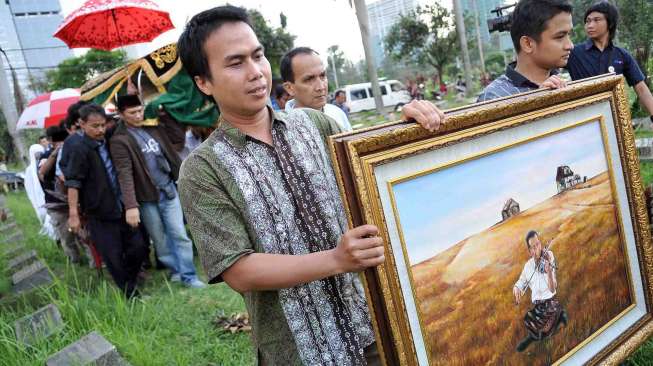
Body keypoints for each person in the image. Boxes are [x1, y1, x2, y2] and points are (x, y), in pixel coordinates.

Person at [176, 5, 444, 365]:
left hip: (374, 327)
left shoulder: (315, 125)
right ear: (203, 82)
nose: (256, 72)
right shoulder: (202, 169)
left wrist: (405, 128)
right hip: (300, 351)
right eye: (235, 63)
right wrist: (336, 259)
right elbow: (238, 269)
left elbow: (369, 173)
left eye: (258, 56)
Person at [109, 94, 206, 289]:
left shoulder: (153, 127)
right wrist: (131, 205)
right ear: (121, 114)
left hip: (169, 191)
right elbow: (124, 174)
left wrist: (165, 113)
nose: (138, 115)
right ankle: (176, 270)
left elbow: (178, 138)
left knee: (179, 233)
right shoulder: (120, 140)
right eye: (132, 112)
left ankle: (189, 275)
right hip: (147, 198)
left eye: (140, 110)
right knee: (160, 241)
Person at [65, 104, 147, 298]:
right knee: (113, 256)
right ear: (82, 124)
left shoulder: (110, 139)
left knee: (139, 247)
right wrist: (73, 215)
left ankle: (131, 282)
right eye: (95, 126)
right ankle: (130, 294)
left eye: (103, 125)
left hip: (123, 207)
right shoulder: (78, 149)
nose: (100, 130)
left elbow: (126, 118)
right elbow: (73, 183)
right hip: (99, 213)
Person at [566, 1, 653, 123]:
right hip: (584, 119)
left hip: (615, 119)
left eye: (596, 20)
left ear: (610, 23)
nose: (590, 25)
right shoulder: (574, 52)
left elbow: (641, 88)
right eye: (588, 21)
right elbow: (548, 64)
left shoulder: (622, 55)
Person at [477, 0, 573, 102]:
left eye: (569, 34)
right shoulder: (495, 97)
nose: (570, 45)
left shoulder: (566, 83)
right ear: (527, 44)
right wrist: (539, 103)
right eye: (560, 37)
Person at [39, 125, 93, 265]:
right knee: (67, 236)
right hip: (57, 203)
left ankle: (94, 261)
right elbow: (42, 174)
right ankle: (75, 262)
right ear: (51, 141)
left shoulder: (75, 149)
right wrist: (55, 153)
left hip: (77, 200)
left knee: (84, 233)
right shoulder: (46, 156)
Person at [513, 230, 567, 352]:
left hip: (550, 302)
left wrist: (548, 272)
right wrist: (517, 288)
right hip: (539, 306)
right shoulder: (528, 266)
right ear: (530, 251)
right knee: (528, 318)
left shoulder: (549, 256)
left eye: (538, 244)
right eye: (533, 247)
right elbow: (521, 282)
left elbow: (553, 288)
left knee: (544, 322)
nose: (538, 248)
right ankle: (547, 329)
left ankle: (537, 336)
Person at [280, 47, 353, 131]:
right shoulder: (284, 129)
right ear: (289, 88)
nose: (321, 87)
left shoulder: (337, 113)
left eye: (322, 76)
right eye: (309, 79)